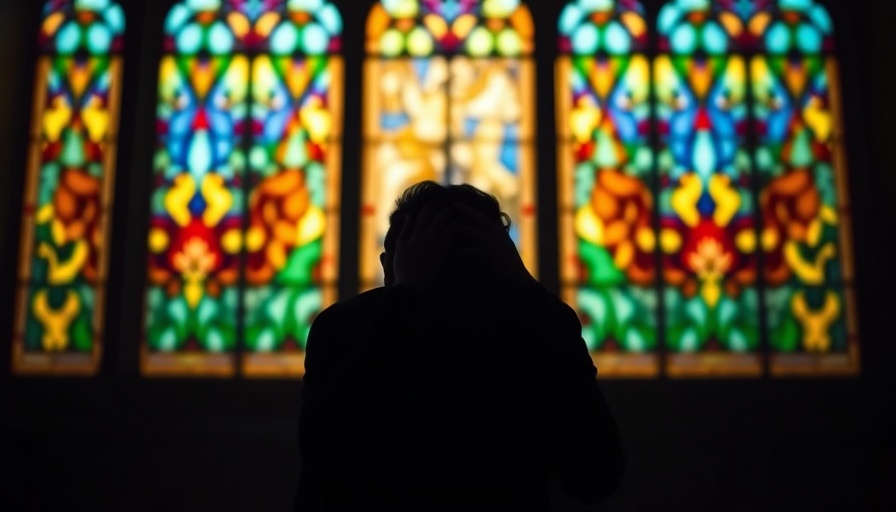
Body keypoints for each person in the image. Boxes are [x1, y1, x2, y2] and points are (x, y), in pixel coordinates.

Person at [295, 182, 624, 511]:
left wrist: (406, 293)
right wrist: (529, 293)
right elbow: (596, 473)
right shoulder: (532, 326)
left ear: (389, 267)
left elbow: (596, 474)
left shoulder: (347, 325)